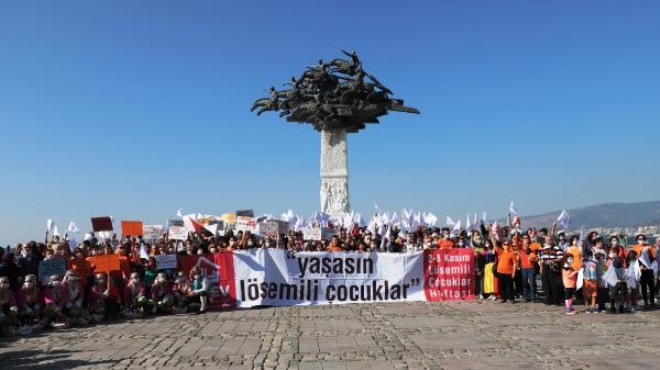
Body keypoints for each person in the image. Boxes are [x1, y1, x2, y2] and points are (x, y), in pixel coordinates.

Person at [631, 234, 656, 309]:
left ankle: (652, 302)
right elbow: (632, 258)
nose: (641, 240)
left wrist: (650, 267)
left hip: (649, 269)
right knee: (643, 287)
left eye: (642, 238)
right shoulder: (635, 248)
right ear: (637, 240)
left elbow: (653, 258)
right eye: (639, 238)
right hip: (641, 270)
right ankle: (645, 301)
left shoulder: (650, 247)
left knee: (652, 287)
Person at [539, 236, 564, 305]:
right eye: (547, 240)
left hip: (554, 267)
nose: (549, 241)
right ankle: (549, 300)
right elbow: (541, 259)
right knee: (547, 284)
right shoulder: (542, 249)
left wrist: (552, 261)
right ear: (545, 241)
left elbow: (560, 258)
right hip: (545, 267)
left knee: (555, 285)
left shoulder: (557, 248)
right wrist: (541, 268)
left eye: (550, 239)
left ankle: (556, 300)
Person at [495, 239, 517, 304]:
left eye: (507, 244)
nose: (506, 245)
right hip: (500, 272)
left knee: (509, 286)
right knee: (502, 286)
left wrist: (513, 272)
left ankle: (511, 298)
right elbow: (495, 244)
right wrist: (492, 235)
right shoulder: (500, 251)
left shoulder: (512, 253)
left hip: (509, 272)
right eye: (505, 244)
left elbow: (515, 263)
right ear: (502, 245)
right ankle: (503, 298)